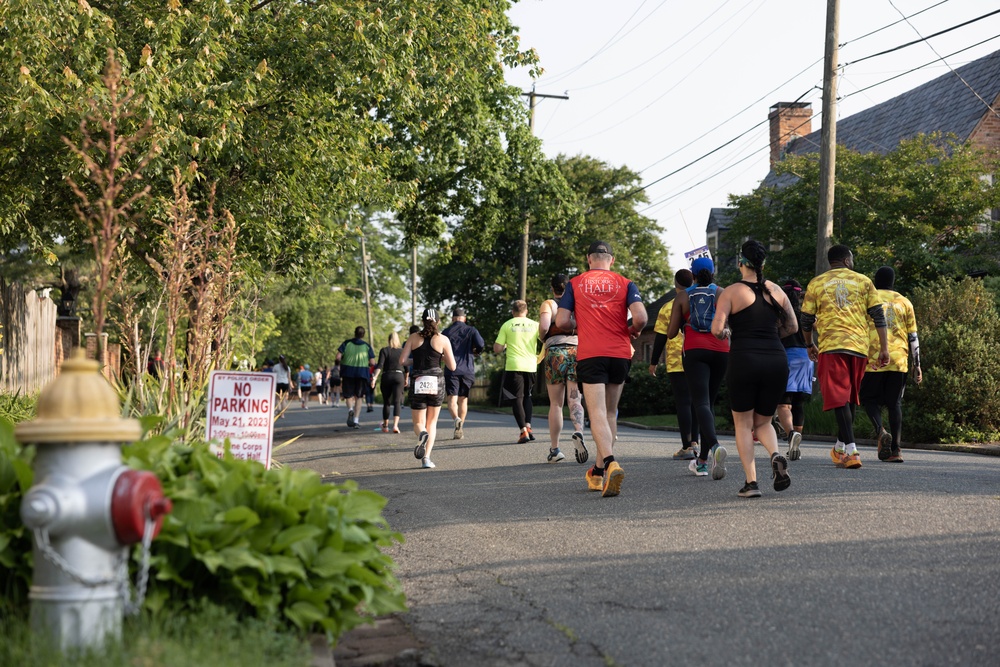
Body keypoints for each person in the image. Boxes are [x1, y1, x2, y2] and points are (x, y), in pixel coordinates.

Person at [555, 241, 646, 497]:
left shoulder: (576, 283)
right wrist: (634, 330)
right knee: (609, 414)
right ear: (612, 260)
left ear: (589, 259)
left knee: (595, 415)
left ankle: (610, 463)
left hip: (592, 353)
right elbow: (640, 317)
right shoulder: (626, 283)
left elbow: (561, 320)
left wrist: (578, 324)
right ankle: (597, 472)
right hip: (619, 352)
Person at [711, 240, 797, 498]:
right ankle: (775, 454)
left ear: (740, 263)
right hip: (776, 360)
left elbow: (717, 330)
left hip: (744, 360)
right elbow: (792, 327)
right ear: (763, 263)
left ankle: (752, 483)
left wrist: (728, 331)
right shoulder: (776, 290)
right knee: (763, 421)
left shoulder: (731, 292)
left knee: (744, 423)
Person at [801, 245, 889, 469]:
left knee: (840, 397)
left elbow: (806, 319)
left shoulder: (817, 283)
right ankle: (840, 447)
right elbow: (879, 316)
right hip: (859, 347)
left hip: (832, 346)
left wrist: (809, 344)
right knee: (848, 397)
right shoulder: (864, 281)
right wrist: (884, 348)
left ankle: (851, 450)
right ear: (847, 260)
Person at [666, 256, 729, 480]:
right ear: (713, 273)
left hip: (694, 350)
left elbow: (671, 332)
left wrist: (683, 321)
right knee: (708, 404)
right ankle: (702, 462)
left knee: (700, 402)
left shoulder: (683, 296)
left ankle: (714, 446)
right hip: (721, 350)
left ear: (692, 275)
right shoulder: (722, 293)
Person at [860, 266, 922, 463]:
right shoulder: (905, 302)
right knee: (894, 404)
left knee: (868, 399)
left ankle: (881, 431)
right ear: (893, 281)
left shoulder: (868, 298)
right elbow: (913, 336)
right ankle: (896, 450)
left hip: (873, 359)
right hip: (898, 360)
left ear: (875, 281)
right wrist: (917, 364)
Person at [648, 268, 700, 460]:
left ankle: (686, 447)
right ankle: (695, 443)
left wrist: (653, 362)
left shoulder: (668, 307)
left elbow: (661, 337)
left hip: (677, 360)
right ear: (693, 281)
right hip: (698, 356)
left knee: (683, 403)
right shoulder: (700, 301)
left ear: (675, 284)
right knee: (697, 402)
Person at [538, 274, 587, 465]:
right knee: (575, 397)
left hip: (555, 352)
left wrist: (544, 338)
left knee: (556, 404)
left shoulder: (549, 304)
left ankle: (555, 449)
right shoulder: (577, 304)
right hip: (577, 350)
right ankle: (579, 431)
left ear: (553, 289)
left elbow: (543, 327)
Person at [400, 309, 457, 468]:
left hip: (418, 379)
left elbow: (403, 360)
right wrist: (440, 356)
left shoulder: (413, 337)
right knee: (432, 423)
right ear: (438, 322)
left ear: (423, 321)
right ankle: (426, 459)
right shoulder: (443, 339)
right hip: (436, 381)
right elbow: (452, 366)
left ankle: (421, 434)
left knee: (418, 422)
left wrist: (415, 361)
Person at [773, 279, 813, 461]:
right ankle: (795, 442)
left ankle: (791, 436)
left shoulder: (779, 314)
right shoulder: (806, 313)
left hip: (786, 357)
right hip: (805, 358)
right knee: (798, 403)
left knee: (783, 403)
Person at [493, 300, 540, 445]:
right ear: (526, 311)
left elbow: (497, 349)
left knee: (516, 398)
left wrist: (505, 344)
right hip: (531, 365)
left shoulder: (507, 325)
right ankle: (529, 427)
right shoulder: (535, 325)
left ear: (513, 312)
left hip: (514, 366)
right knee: (528, 396)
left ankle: (523, 431)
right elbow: (546, 341)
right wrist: (540, 356)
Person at [442, 307, 485, 440]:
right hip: (467, 370)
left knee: (452, 400)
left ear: (452, 319)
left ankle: (456, 419)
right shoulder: (471, 330)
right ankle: (460, 427)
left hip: (451, 370)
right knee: (463, 400)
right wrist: (476, 351)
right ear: (464, 319)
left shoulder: (446, 332)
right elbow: (481, 344)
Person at [336, 327, 376, 429]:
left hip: (348, 372)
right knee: (359, 397)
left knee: (348, 395)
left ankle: (350, 410)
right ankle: (356, 420)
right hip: (362, 373)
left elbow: (338, 357)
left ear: (355, 333)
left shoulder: (346, 343)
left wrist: (342, 361)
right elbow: (372, 362)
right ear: (363, 335)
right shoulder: (367, 346)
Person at [371, 332, 406, 434]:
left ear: (388, 339)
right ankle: (395, 426)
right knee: (397, 402)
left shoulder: (384, 350)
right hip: (399, 376)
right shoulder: (402, 351)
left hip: (387, 376)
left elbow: (380, 365)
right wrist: (406, 378)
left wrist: (374, 377)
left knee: (386, 402)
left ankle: (386, 426)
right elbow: (406, 367)